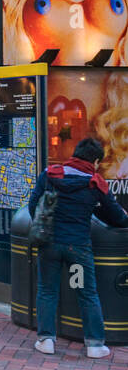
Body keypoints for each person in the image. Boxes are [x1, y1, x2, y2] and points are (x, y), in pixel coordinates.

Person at [28, 137, 128, 358]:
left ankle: (46, 341)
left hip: (49, 245)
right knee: (86, 293)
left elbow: (33, 205)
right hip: (78, 249)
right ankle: (94, 345)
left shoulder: (50, 175)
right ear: (94, 161)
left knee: (47, 290)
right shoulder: (95, 183)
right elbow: (115, 216)